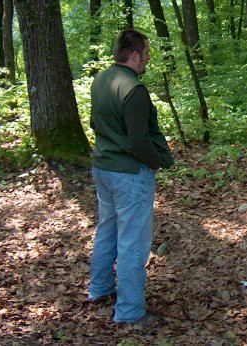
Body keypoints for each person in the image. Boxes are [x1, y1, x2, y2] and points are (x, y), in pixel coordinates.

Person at [88, 29, 174, 325]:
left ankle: (99, 290)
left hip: (103, 169)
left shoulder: (101, 80)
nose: (148, 57)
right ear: (135, 55)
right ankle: (129, 312)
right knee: (133, 244)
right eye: (146, 52)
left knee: (107, 230)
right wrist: (156, 162)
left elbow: (94, 123)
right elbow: (138, 141)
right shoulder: (134, 89)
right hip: (128, 174)